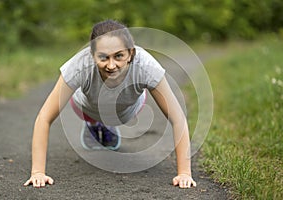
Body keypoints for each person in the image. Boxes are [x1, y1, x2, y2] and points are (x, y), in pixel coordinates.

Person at [24, 19, 196, 189]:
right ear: (92, 56)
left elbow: (178, 118)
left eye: (119, 56)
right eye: (103, 57)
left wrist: (184, 173)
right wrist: (38, 172)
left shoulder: (147, 66)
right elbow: (44, 117)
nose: (111, 65)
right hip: (86, 107)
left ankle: (107, 125)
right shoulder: (79, 66)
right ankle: (94, 124)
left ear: (131, 53)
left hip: (128, 110)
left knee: (116, 115)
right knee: (82, 104)